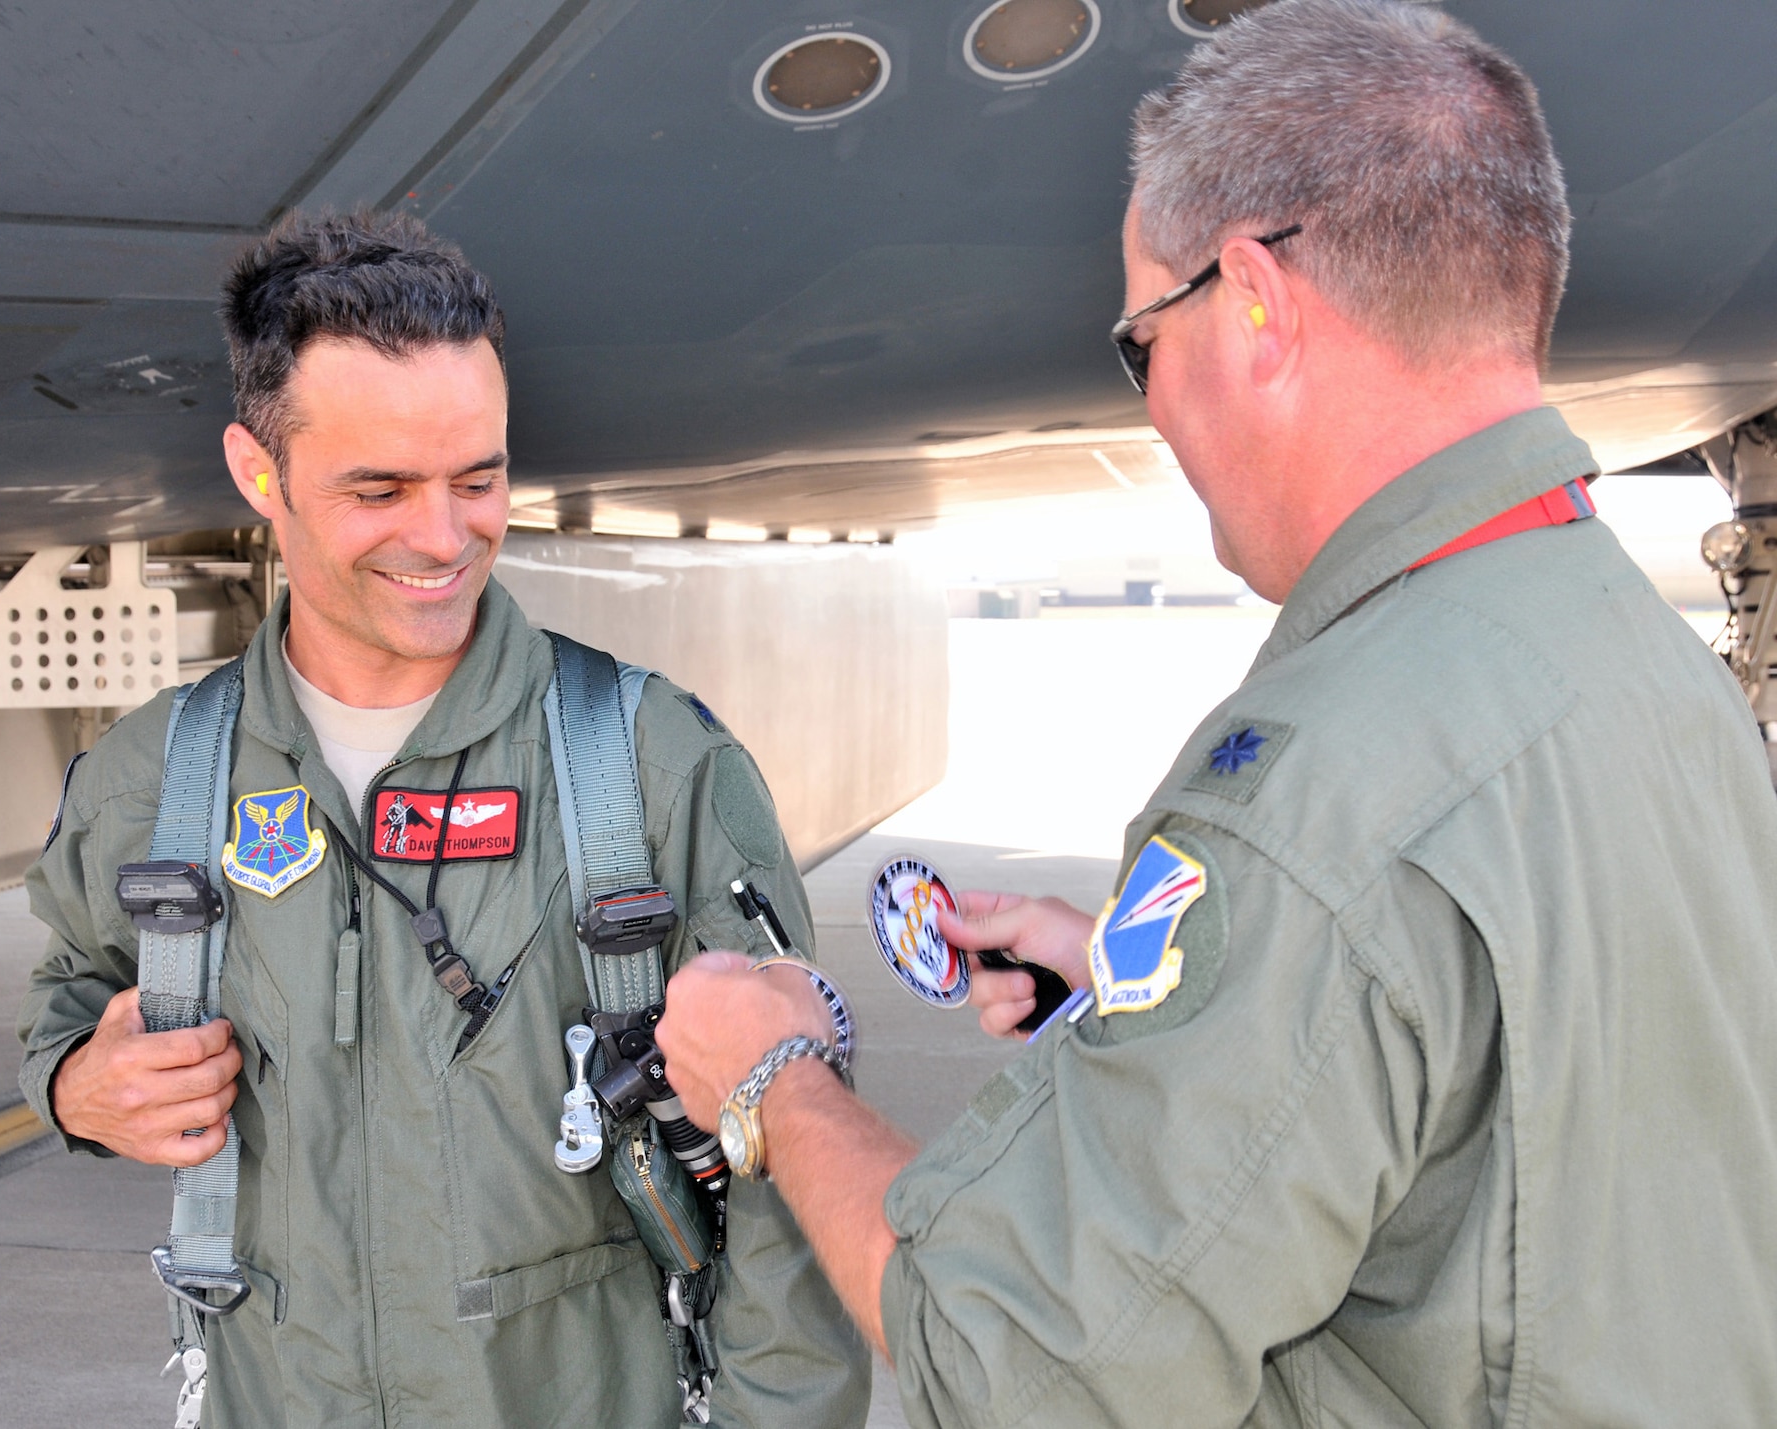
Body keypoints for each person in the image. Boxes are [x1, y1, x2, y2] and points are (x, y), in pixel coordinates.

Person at [655, 1, 1777, 1424]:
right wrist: (1159, 996)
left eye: (1143, 343)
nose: (1155, 407)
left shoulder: (1317, 800)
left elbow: (1011, 1363)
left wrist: (772, 1080)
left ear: (1252, 301)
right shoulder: (1644, 660)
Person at [16, 211, 868, 1427]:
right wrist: (74, 1088)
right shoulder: (157, 776)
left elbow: (787, 1168)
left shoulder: (646, 763)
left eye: (479, 478)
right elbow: (66, 991)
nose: (443, 535)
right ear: (260, 475)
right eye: (379, 488)